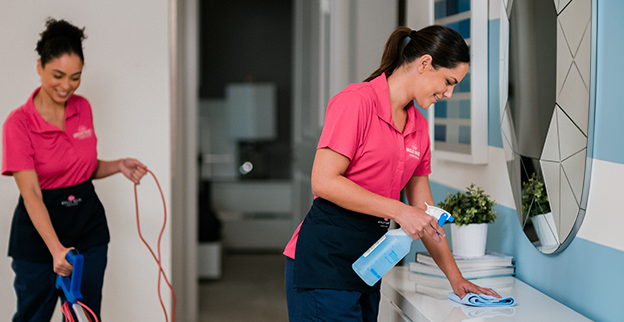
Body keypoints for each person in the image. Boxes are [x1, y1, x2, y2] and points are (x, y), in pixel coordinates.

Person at [283, 25, 501, 321]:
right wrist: (400, 210)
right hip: (324, 261)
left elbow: (424, 213)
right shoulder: (357, 102)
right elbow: (323, 181)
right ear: (424, 63)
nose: (449, 93)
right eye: (448, 82)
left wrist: (456, 279)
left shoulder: (419, 128)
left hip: (369, 266)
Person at [1, 18, 147, 321]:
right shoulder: (18, 124)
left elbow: (81, 168)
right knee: (33, 316)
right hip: (40, 238)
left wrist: (118, 165)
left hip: (88, 228)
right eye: (58, 75)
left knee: (86, 316)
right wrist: (55, 249)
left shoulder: (83, 108)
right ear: (40, 66)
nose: (66, 86)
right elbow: (30, 193)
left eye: (75, 77)